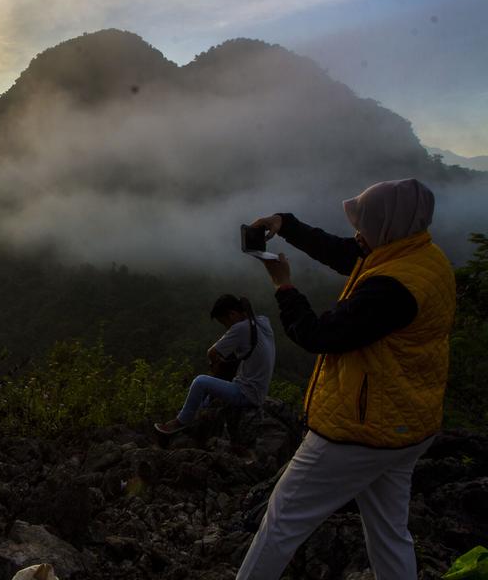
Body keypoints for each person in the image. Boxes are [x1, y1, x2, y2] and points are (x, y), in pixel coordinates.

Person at [237, 179, 455, 580]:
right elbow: (343, 252)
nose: (358, 233)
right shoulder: (421, 256)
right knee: (389, 532)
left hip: (359, 430)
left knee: (282, 520)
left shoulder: (393, 287)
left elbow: (319, 336)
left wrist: (283, 286)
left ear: (388, 225)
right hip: (406, 424)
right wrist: (285, 223)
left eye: (365, 223)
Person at [154, 295, 276, 435]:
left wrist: (215, 365)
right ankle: (200, 412)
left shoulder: (240, 328)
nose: (227, 327)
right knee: (213, 384)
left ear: (232, 314)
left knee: (200, 382)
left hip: (247, 394)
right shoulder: (263, 322)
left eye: (225, 322)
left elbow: (211, 353)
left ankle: (181, 422)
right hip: (259, 392)